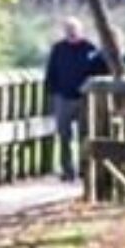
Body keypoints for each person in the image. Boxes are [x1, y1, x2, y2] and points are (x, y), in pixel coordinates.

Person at [43, 17, 106, 182]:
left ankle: (85, 169)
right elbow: (51, 72)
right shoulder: (58, 49)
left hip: (85, 99)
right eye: (68, 29)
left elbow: (99, 72)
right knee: (64, 136)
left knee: (84, 135)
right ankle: (67, 170)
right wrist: (51, 94)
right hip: (63, 98)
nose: (71, 32)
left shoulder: (90, 48)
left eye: (74, 29)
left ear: (81, 30)